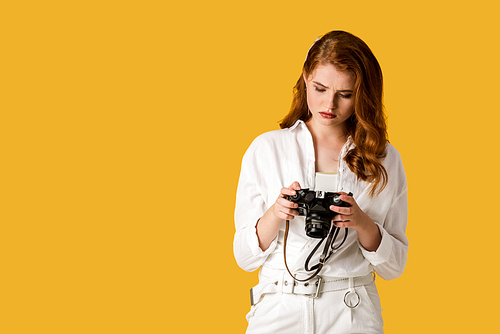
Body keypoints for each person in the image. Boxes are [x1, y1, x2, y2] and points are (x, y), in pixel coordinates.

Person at [233, 30, 408, 334]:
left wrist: (361, 222)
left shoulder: (383, 159)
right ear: (305, 79)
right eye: (319, 88)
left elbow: (394, 267)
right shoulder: (267, 149)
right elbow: (244, 257)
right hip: (278, 308)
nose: (329, 103)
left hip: (352, 311)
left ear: (362, 94)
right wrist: (277, 213)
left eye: (345, 94)